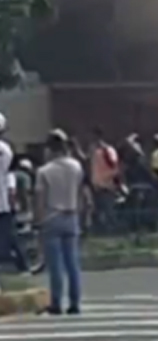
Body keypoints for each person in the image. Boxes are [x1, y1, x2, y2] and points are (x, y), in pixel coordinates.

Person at [35, 129, 84, 315]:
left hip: (52, 217)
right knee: (73, 263)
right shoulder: (76, 167)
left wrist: (38, 221)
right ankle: (75, 303)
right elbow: (80, 192)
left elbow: (40, 198)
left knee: (55, 265)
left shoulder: (44, 171)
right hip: (71, 216)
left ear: (50, 149)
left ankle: (56, 302)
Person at [0, 113, 28, 274]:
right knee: (9, 235)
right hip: (3, 200)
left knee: (9, 236)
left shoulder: (4, 149)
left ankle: (21, 264)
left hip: (2, 201)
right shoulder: (7, 149)